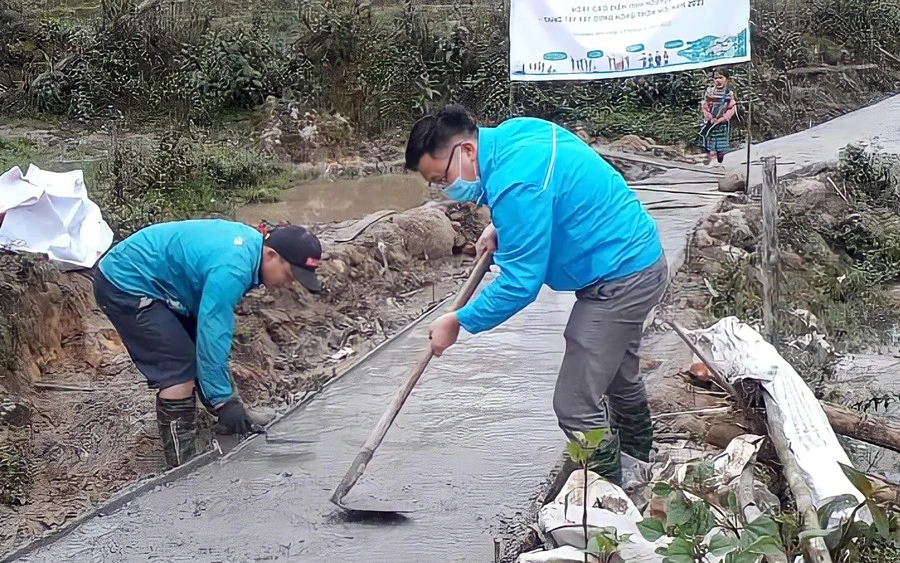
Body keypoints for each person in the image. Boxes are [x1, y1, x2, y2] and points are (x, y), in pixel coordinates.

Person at [404, 106, 667, 484]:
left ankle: (610, 499)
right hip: (635, 257)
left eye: (442, 178)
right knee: (617, 377)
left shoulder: (516, 184)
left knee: (574, 404)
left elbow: (520, 283)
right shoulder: (515, 134)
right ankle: (636, 465)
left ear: (466, 151)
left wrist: (459, 321)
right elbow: (549, 189)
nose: (447, 190)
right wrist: (502, 225)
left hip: (621, 277)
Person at [93, 219, 323, 467]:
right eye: (289, 274)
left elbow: (208, 333)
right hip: (126, 282)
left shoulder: (249, 251)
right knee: (178, 368)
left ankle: (224, 412)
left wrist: (226, 402)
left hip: (164, 282)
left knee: (197, 343)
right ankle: (182, 465)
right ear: (271, 255)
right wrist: (223, 400)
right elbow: (213, 331)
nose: (288, 282)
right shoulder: (233, 268)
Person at [700, 68, 738, 165]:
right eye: (716, 78)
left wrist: (724, 118)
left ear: (726, 79)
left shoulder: (729, 93)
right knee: (709, 146)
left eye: (721, 78)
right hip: (711, 123)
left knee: (721, 150)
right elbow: (705, 106)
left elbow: (732, 108)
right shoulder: (710, 92)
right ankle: (710, 165)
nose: (718, 80)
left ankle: (720, 163)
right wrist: (709, 117)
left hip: (722, 124)